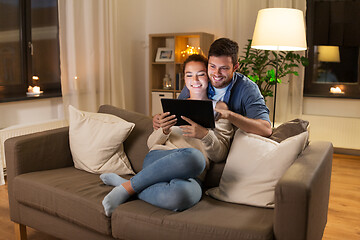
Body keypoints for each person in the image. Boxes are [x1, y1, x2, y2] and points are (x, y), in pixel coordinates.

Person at [100, 54, 233, 216]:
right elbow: (151, 144)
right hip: (160, 160)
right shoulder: (175, 105)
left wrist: (204, 135)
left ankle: (128, 184)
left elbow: (220, 155)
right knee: (194, 156)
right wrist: (163, 131)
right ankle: (128, 188)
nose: (195, 80)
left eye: (201, 74)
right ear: (184, 78)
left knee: (184, 195)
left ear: (209, 76)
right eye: (189, 75)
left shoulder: (219, 109)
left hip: (193, 172)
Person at [153, 38, 272, 137]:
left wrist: (229, 115)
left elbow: (266, 129)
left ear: (235, 67)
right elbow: (177, 116)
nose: (216, 73)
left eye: (224, 68)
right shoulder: (199, 81)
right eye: (212, 66)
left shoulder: (247, 88)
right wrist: (160, 120)